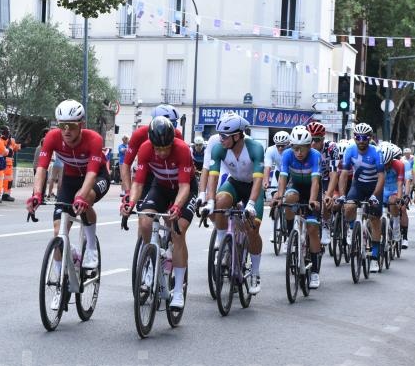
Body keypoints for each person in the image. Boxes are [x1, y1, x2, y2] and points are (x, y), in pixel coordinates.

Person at [26, 99, 111, 277]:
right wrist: (37, 194)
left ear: (81, 125)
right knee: (58, 232)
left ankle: (91, 248)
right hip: (71, 179)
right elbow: (41, 168)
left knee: (84, 198)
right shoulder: (52, 137)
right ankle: (61, 278)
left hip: (97, 176)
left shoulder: (94, 139)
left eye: (71, 126)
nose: (66, 130)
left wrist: (81, 196)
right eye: (62, 125)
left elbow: (92, 174)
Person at [120, 116, 196, 309]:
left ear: (172, 142)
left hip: (184, 189)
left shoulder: (182, 149)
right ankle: (151, 260)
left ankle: (177, 291)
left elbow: (184, 186)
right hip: (160, 187)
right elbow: (138, 183)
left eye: (165, 148)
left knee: (177, 232)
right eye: (158, 148)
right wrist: (131, 202)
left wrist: (177, 206)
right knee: (145, 221)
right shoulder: (145, 148)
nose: (161, 153)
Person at [204, 112, 268, 293]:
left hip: (253, 188)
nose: (220, 139)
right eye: (220, 135)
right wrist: (210, 201)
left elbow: (258, 180)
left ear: (237, 136)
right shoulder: (219, 148)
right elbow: (213, 177)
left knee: (252, 229)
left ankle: (255, 273)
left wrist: (251, 204)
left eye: (224, 136)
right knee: (219, 203)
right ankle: (224, 243)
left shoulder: (255, 148)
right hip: (234, 184)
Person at [271, 125, 323, 288]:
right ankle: (289, 234)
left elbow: (315, 181)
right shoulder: (287, 155)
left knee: (312, 228)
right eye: (295, 148)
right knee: (289, 198)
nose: (299, 152)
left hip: (312, 190)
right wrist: (279, 196)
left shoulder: (315, 155)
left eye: (302, 148)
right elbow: (283, 177)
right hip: (296, 186)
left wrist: (313, 200)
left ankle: (315, 272)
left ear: (309, 146)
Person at [337, 123, 385, 269]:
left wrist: (375, 195)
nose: (361, 140)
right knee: (348, 207)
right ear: (354, 138)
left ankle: (375, 256)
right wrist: (342, 195)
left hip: (374, 186)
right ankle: (352, 229)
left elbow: (381, 177)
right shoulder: (350, 150)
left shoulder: (377, 152)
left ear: (370, 138)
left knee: (374, 219)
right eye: (358, 137)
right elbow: (344, 174)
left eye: (364, 138)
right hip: (358, 185)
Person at [1, 125, 20, 202]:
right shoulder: (1, 140)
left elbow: (16, 148)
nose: (8, 132)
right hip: (4, 162)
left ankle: (6, 194)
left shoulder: (11, 140)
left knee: (8, 180)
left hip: (9, 163)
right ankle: (5, 195)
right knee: (5, 180)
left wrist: (24, 144)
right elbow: (5, 151)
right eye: (6, 131)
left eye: (8, 131)